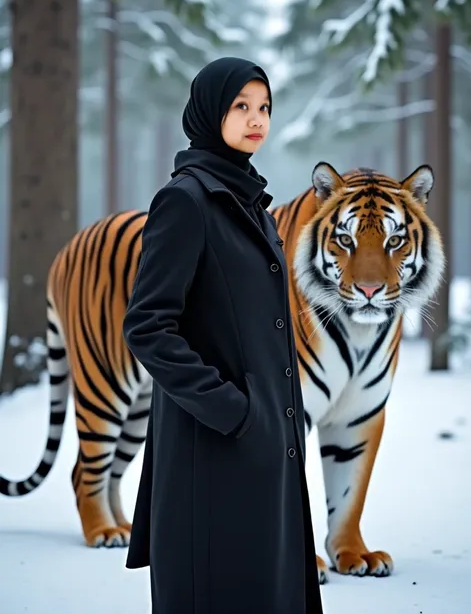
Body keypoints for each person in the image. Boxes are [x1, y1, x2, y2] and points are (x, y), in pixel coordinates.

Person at [123, 56, 324, 614]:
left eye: (264, 108)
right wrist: (233, 411)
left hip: (265, 458)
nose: (256, 119)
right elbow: (147, 326)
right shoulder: (186, 201)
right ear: (211, 112)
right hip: (211, 460)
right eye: (241, 106)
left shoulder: (250, 202)